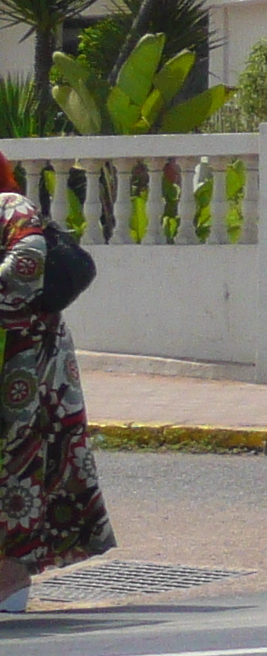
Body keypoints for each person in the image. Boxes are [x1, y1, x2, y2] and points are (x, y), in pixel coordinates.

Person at [0, 157, 114, 609]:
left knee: (19, 469)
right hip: (13, 363)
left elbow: (26, 270)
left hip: (28, 367)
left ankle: (10, 581)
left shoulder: (10, 207)